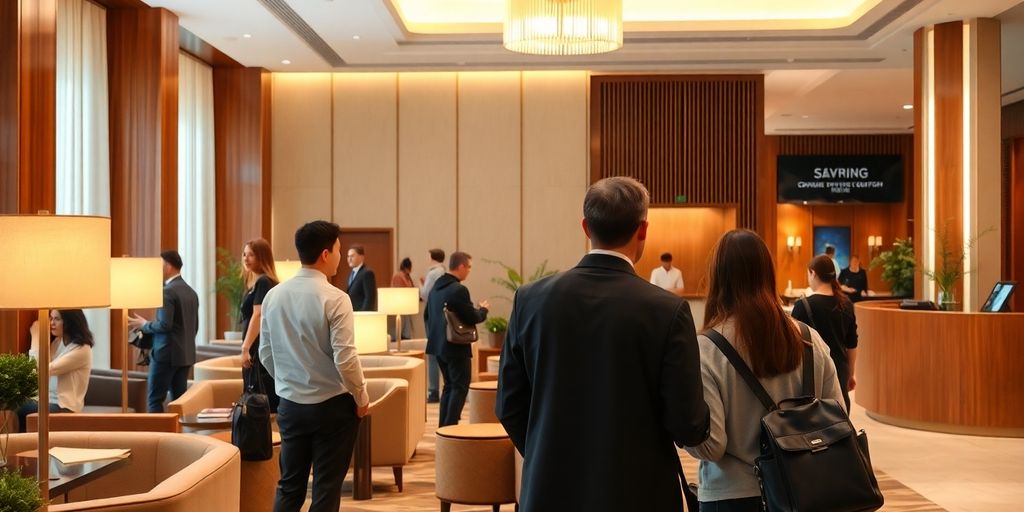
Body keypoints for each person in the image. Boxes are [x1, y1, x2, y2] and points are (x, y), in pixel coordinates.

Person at [496, 177, 710, 511]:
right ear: (643, 230)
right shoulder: (667, 311)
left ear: (585, 227)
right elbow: (689, 425)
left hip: (549, 490)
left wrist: (546, 451)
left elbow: (509, 403)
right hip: (640, 493)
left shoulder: (530, 300)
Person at [684, 230, 844, 511]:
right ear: (768, 273)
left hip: (732, 495)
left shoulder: (707, 348)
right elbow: (838, 417)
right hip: (807, 491)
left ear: (719, 278)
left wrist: (680, 428)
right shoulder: (809, 340)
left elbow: (712, 447)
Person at [259, 220, 369, 512]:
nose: (339, 257)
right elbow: (345, 358)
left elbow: (266, 353)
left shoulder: (274, 296)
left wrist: (288, 381)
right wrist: (361, 397)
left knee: (290, 486)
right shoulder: (336, 298)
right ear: (324, 254)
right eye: (337, 250)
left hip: (290, 406)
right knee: (326, 488)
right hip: (333, 407)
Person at [129, 250, 199, 413]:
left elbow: (164, 325)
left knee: (154, 400)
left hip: (165, 354)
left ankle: (159, 438)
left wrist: (144, 324)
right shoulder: (191, 292)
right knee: (178, 402)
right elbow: (194, 327)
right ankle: (177, 437)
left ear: (168, 266)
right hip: (185, 355)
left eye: (160, 265)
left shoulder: (166, 292)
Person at [425, 251, 489, 427]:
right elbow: (472, 317)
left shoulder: (435, 289)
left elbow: (427, 317)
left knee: (448, 386)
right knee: (460, 386)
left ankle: (444, 428)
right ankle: (451, 427)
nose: (469, 271)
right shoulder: (458, 290)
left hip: (438, 346)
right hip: (455, 346)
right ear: (460, 266)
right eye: (468, 267)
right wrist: (483, 310)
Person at [791, 254, 859, 410]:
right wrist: (850, 373)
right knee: (839, 418)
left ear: (813, 273)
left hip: (811, 371)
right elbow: (852, 344)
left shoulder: (803, 306)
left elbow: (792, 345)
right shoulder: (846, 304)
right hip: (839, 369)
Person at [17, 309, 94, 432]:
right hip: (47, 400)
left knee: (14, 405)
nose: (51, 323)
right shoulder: (58, 342)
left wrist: (36, 337)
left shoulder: (82, 349)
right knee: (10, 401)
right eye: (51, 318)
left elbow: (41, 371)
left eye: (57, 319)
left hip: (64, 407)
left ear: (70, 321)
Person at [239, 238, 280, 412]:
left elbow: (258, 314)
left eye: (251, 255)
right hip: (255, 345)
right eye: (244, 254)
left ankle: (264, 435)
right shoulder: (253, 284)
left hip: (257, 346)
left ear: (262, 257)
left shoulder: (264, 282)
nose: (246, 259)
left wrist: (245, 347)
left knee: (258, 395)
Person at [420, 248, 446, 403]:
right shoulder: (444, 272)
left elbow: (424, 294)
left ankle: (433, 390)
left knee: (432, 354)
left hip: (431, 315)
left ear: (432, 258)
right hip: (441, 316)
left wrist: (421, 284)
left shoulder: (432, 273)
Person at [390, 257, 416, 340]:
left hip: (407, 304)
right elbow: (399, 290)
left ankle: (405, 336)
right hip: (400, 303)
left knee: (406, 325)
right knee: (401, 324)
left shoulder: (407, 277)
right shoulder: (398, 276)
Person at [346, 244, 377, 311]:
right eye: (348, 256)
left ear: (361, 257)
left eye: (352, 256)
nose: (349, 259)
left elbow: (369, 298)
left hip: (362, 315)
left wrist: (363, 314)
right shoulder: (351, 273)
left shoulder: (367, 273)